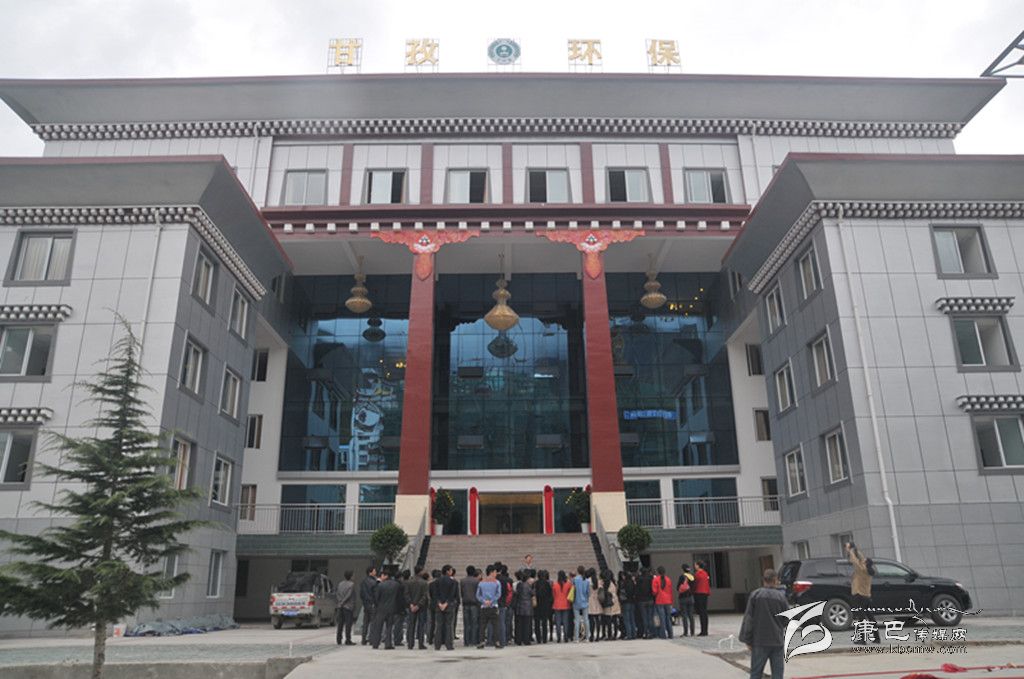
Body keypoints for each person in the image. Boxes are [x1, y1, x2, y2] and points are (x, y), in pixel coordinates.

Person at [739, 569, 788, 679]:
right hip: (777, 641)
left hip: (759, 641)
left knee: (756, 673)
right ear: (775, 580)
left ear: (764, 580)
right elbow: (786, 619)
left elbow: (749, 619)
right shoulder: (781, 597)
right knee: (778, 674)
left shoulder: (755, 595)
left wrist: (747, 639)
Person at [847, 542, 879, 644]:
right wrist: (857, 550)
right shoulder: (869, 571)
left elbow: (854, 560)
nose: (862, 560)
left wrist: (851, 550)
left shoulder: (861, 569)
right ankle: (877, 638)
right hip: (867, 596)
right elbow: (861, 559)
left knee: (861, 618)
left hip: (859, 596)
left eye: (864, 561)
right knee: (870, 617)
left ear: (865, 564)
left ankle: (862, 639)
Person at [369, 570, 402, 650]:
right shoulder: (396, 585)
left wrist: (377, 605)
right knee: (389, 627)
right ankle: (388, 643)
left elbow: (376, 597)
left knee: (378, 627)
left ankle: (375, 643)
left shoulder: (380, 585)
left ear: (386, 575)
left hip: (381, 609)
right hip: (392, 608)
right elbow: (399, 598)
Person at [476, 565, 504, 649]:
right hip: (493, 606)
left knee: (482, 625)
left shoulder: (481, 582)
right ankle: (497, 642)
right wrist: (491, 601)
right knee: (495, 625)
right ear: (491, 572)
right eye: (495, 572)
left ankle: (481, 641)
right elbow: (498, 594)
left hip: (484, 606)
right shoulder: (497, 582)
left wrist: (484, 601)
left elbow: (478, 595)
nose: (496, 573)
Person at [433, 564, 459, 650]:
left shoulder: (436, 581)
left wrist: (439, 603)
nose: (452, 572)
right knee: (449, 625)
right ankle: (449, 645)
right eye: (451, 570)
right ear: (448, 571)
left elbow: (435, 594)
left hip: (439, 606)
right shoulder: (454, 582)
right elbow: (453, 594)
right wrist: (447, 603)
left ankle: (437, 645)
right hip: (449, 606)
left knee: (439, 625)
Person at [405, 567, 429, 650]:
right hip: (421, 607)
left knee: (411, 625)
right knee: (421, 625)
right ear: (420, 572)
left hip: (411, 606)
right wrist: (418, 605)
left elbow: (406, 594)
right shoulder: (424, 583)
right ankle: (420, 643)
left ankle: (410, 644)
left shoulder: (409, 582)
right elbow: (425, 596)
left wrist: (411, 604)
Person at [651, 566, 674, 639]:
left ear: (658, 572)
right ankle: (670, 634)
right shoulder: (668, 579)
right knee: (668, 617)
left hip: (659, 600)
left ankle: (663, 634)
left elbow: (654, 591)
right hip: (668, 600)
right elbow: (671, 591)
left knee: (662, 618)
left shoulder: (655, 580)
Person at [460, 565, 481, 647]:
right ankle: (474, 640)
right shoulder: (477, 581)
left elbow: (462, 592)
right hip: (474, 603)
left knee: (466, 623)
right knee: (474, 623)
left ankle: (466, 641)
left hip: (465, 603)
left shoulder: (462, 581)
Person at [551, 570, 573, 643]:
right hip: (566, 604)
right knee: (566, 621)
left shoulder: (555, 584)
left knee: (558, 622)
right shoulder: (568, 584)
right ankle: (566, 637)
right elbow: (571, 594)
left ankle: (559, 637)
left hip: (557, 605)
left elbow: (553, 595)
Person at [513, 570, 534, 645]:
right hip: (527, 607)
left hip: (519, 606)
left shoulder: (519, 585)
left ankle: (518, 640)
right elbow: (532, 593)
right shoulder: (528, 586)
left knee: (519, 624)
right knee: (527, 625)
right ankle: (526, 640)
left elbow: (516, 593)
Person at [335, 570, 356, 645]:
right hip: (348, 606)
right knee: (348, 624)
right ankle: (348, 639)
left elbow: (337, 593)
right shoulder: (351, 584)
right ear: (351, 576)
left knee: (340, 623)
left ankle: (338, 639)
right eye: (353, 575)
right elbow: (348, 595)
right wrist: (343, 602)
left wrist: (340, 602)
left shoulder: (340, 583)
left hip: (340, 606)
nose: (354, 576)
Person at [599, 570, 620, 640]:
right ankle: (614, 634)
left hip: (607, 603)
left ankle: (608, 635)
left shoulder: (604, 583)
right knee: (614, 619)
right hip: (614, 602)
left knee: (607, 620)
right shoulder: (614, 583)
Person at [359, 566, 378, 644]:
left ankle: (363, 639)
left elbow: (361, 594)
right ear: (370, 572)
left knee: (365, 622)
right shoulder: (374, 582)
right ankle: (371, 639)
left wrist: (364, 602)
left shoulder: (363, 582)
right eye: (374, 571)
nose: (375, 572)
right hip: (372, 604)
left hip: (366, 604)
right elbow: (376, 595)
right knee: (373, 622)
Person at [533, 569, 553, 644]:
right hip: (545, 606)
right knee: (544, 623)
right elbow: (550, 595)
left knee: (537, 623)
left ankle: (538, 639)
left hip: (537, 606)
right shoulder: (547, 584)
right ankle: (544, 639)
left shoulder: (535, 584)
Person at [572, 565, 591, 642]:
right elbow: (588, 592)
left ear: (578, 571)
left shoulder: (575, 579)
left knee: (577, 620)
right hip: (584, 602)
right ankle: (587, 637)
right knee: (586, 620)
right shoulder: (587, 580)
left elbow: (573, 590)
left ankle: (576, 638)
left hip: (576, 602)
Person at [618, 570, 637, 640]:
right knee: (632, 619)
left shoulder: (624, 583)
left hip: (626, 602)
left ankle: (629, 635)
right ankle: (634, 634)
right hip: (632, 602)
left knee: (627, 619)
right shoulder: (632, 582)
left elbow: (621, 593)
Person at [677, 564, 696, 637]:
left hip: (683, 598)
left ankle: (685, 632)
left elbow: (678, 587)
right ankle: (692, 632)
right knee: (691, 615)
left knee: (684, 615)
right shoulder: (692, 577)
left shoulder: (682, 577)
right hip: (690, 597)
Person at [693, 561, 711, 636]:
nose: (694, 566)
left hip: (699, 593)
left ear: (698, 566)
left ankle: (703, 631)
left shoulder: (697, 574)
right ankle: (705, 630)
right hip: (705, 593)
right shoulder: (705, 573)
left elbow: (695, 584)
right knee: (704, 612)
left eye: (695, 565)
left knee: (701, 612)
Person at [392, 570, 408, 647]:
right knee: (398, 625)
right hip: (399, 608)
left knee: (393, 624)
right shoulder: (400, 586)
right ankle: (397, 640)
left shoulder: (391, 584)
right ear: (401, 577)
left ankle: (393, 639)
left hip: (391, 607)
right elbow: (401, 598)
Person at [637, 567, 654, 639]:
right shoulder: (650, 578)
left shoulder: (639, 579)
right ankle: (651, 632)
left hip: (642, 600)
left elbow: (637, 589)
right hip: (650, 599)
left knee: (644, 617)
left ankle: (646, 632)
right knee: (650, 617)